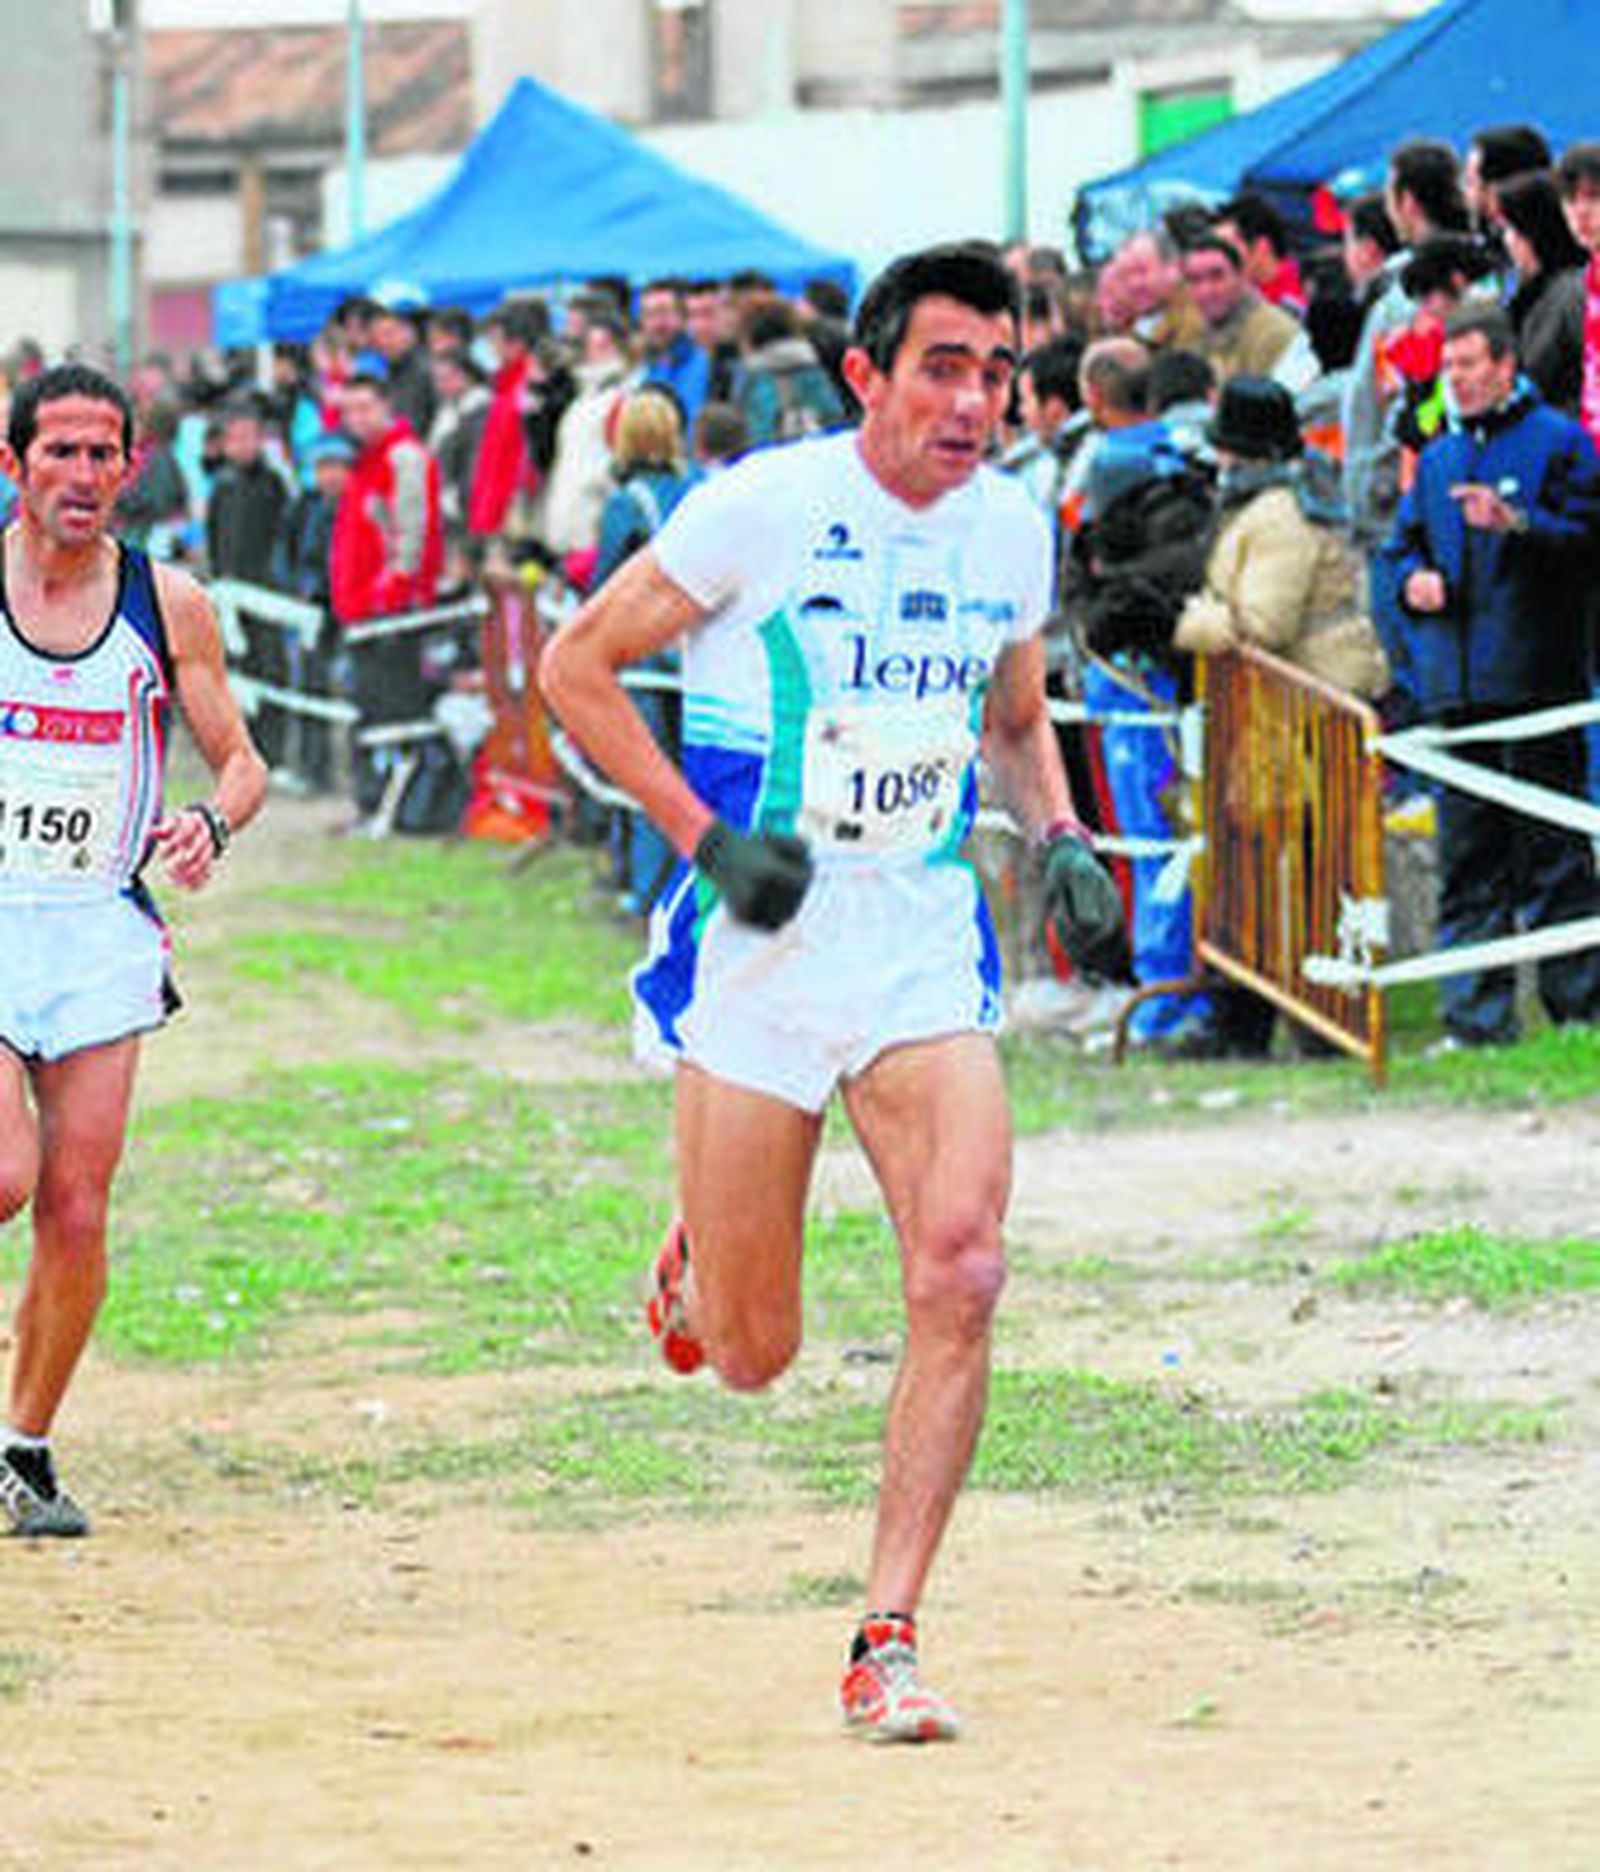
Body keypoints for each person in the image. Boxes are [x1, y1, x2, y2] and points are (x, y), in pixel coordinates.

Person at [540, 241, 1126, 1743]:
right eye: (945, 366)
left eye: (1000, 371)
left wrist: (1057, 827)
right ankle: (702, 1254)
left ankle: (890, 1635)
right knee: (754, 1355)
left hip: (918, 936)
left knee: (965, 1265)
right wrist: (706, 841)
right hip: (760, 945)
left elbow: (1012, 712)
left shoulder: (1009, 528)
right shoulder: (764, 507)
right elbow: (575, 669)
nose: (978, 400)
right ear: (866, 372)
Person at [0, 364, 268, 1536]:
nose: (80, 475)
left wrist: (208, 822)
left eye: (101, 454)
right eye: (57, 451)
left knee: (75, 1206)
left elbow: (243, 762)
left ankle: (24, 1449)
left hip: (98, 928)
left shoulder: (171, 603)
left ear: (133, 467)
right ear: (13, 465)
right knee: (4, 1174)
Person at [1374, 304, 1600, 1046]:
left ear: (1506, 365)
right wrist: (1412, 582)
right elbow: (1399, 547)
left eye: (1471, 365)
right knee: (1467, 860)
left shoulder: (1561, 443)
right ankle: (1473, 1017)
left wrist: (1521, 526)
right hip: (1457, 695)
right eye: (1449, 368)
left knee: (1554, 858)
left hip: (1538, 686)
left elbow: (1588, 542)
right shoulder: (1437, 458)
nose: (1460, 380)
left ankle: (1579, 1008)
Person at [1181, 234, 1320, 393]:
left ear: (1242, 276)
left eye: (1217, 276)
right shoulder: (1191, 337)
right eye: (1195, 280)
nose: (1206, 290)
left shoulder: (1278, 334)